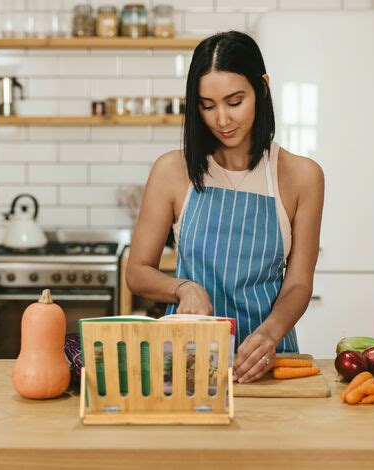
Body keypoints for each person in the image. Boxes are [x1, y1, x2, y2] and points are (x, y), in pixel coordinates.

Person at [126, 31, 324, 384]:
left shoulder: (302, 176)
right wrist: (183, 287)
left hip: (267, 360)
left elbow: (297, 284)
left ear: (261, 88)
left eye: (235, 102)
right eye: (207, 105)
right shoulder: (172, 170)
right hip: (188, 361)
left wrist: (270, 334)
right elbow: (137, 271)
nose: (221, 119)